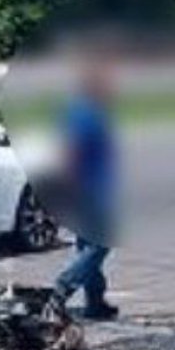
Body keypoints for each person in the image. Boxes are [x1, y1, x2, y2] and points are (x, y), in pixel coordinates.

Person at [49, 60, 119, 321]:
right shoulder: (88, 114)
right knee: (99, 245)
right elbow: (72, 152)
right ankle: (62, 288)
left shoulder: (74, 110)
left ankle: (95, 302)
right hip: (90, 188)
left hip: (86, 186)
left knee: (88, 245)